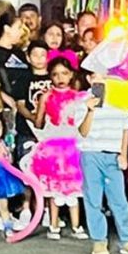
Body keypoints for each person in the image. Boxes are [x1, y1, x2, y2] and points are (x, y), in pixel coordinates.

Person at [77, 78, 128, 254]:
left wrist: (123, 154)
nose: (100, 80)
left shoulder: (119, 100)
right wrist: (90, 110)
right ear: (89, 79)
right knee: (93, 198)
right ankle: (99, 240)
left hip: (113, 154)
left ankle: (126, 239)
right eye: (96, 76)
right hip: (91, 153)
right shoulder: (83, 100)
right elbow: (83, 131)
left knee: (119, 199)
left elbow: (125, 128)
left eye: (104, 76)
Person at [34, 57, 89, 240]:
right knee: (54, 187)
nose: (60, 78)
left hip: (73, 144)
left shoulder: (79, 97)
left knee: (74, 186)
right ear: (50, 76)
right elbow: (39, 122)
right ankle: (54, 225)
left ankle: (76, 225)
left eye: (64, 73)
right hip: (53, 145)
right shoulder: (46, 96)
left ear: (71, 74)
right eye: (55, 74)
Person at [11, 39, 52, 228]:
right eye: (35, 55)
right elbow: (20, 105)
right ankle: (26, 208)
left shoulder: (54, 77)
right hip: (27, 131)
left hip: (50, 132)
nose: (39, 58)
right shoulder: (23, 79)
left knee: (49, 172)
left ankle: (46, 209)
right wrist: (34, 119)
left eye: (43, 55)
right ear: (28, 57)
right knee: (27, 170)